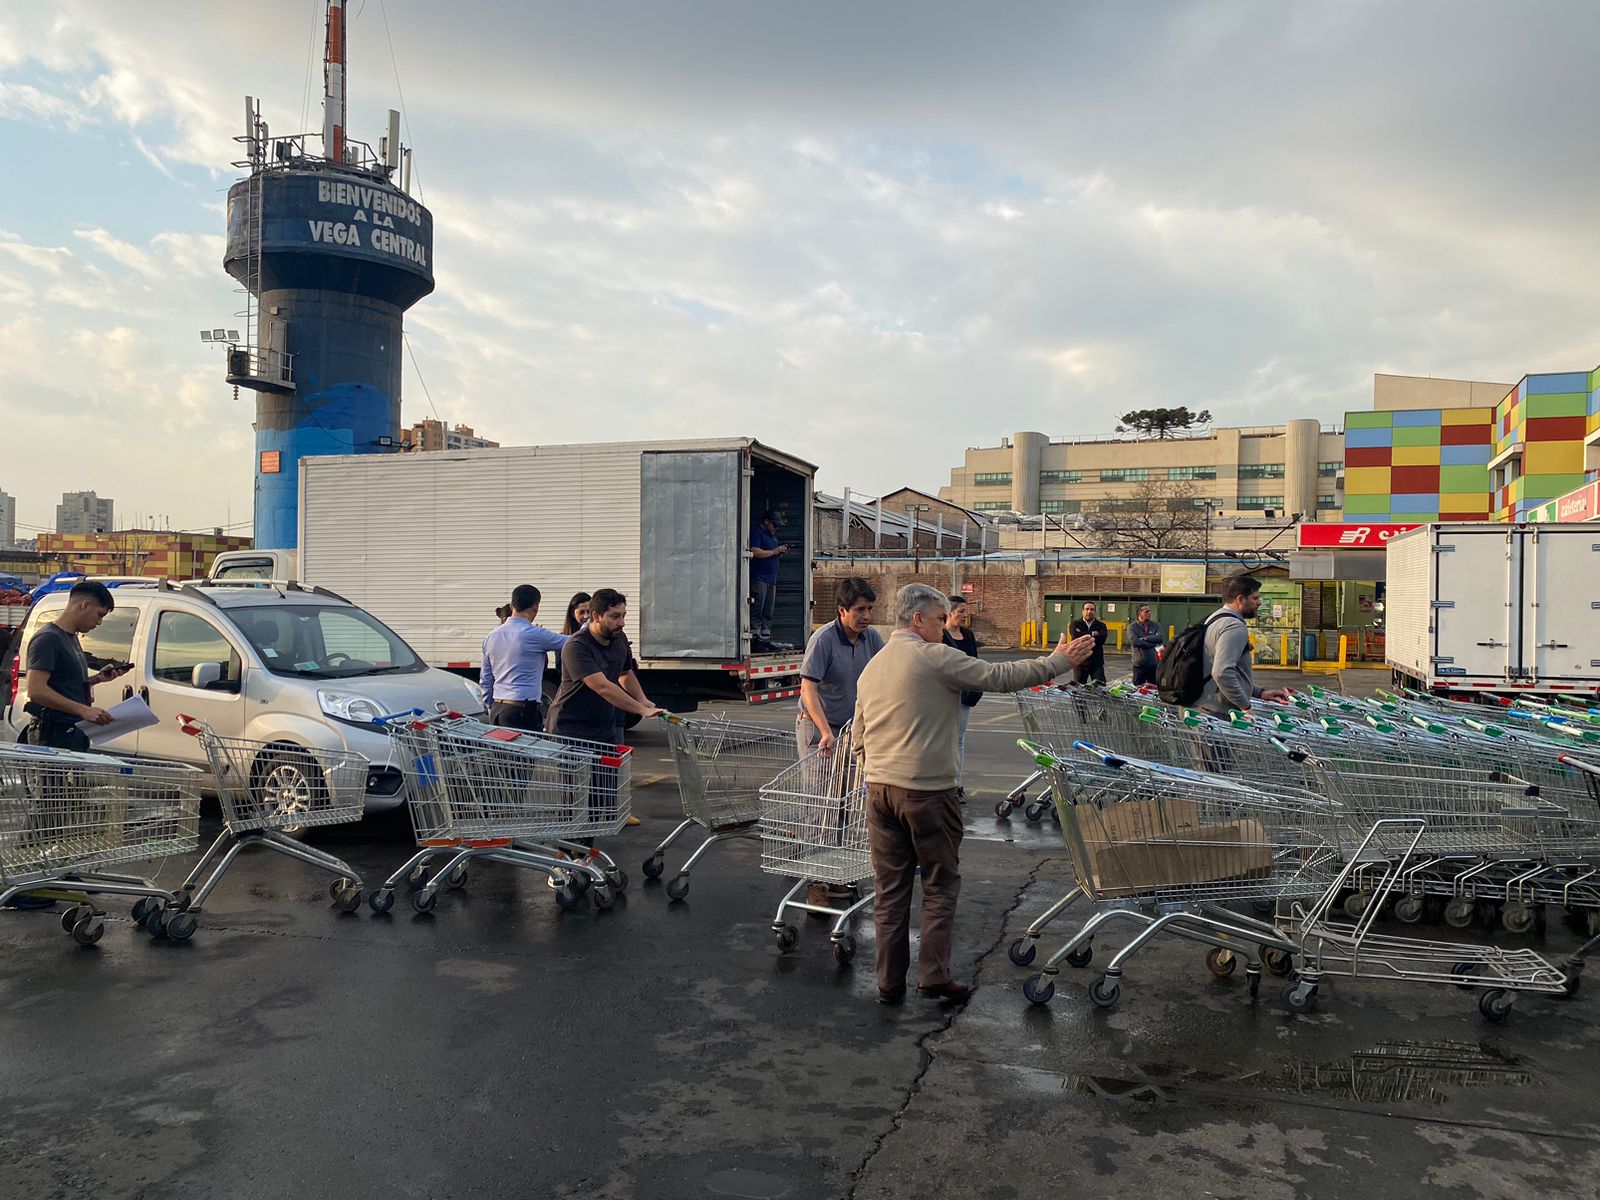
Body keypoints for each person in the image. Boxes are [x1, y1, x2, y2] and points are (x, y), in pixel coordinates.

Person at [853, 584, 1095, 1005]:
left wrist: (871, 771)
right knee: (940, 884)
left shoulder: (874, 665)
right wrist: (1058, 662)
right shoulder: (934, 658)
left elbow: (858, 733)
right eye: (938, 620)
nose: (944, 629)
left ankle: (889, 982)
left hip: (880, 790)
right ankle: (933, 975)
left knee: (890, 892)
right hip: (927, 791)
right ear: (917, 619)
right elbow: (998, 677)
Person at [797, 577, 884, 908]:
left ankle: (836, 868)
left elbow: (882, 677)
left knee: (846, 802)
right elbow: (809, 689)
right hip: (820, 729)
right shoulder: (824, 640)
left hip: (852, 731)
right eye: (860, 610)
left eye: (870, 609)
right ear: (842, 610)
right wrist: (826, 731)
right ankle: (815, 880)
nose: (866, 616)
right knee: (821, 802)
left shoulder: (871, 639)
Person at [547, 588, 665, 825]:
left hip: (602, 726)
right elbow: (601, 686)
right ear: (596, 616)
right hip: (571, 728)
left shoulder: (618, 638)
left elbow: (625, 674)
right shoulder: (576, 646)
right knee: (574, 797)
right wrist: (640, 711)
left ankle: (585, 852)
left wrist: (643, 700)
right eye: (614, 616)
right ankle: (568, 854)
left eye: (623, 615)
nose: (621, 622)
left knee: (602, 795)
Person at [23, 580, 128, 750]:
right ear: (85, 605)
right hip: (53, 733)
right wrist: (83, 710)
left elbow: (62, 684)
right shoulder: (48, 638)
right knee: (53, 778)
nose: (99, 622)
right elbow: (36, 690)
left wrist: (96, 679)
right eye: (99, 614)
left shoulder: (70, 637)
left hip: (71, 731)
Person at [1197, 576, 1292, 718]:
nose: (1259, 603)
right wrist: (1245, 706)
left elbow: (1230, 672)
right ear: (1241, 600)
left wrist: (1260, 693)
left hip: (1205, 708)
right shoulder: (1233, 626)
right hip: (1219, 712)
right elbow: (1222, 672)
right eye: (1255, 598)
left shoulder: (1214, 619)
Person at [480, 585, 567, 730]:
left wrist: (490, 707)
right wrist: (588, 626)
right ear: (536, 607)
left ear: (511, 605)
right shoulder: (534, 634)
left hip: (497, 708)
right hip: (522, 710)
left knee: (500, 753)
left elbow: (486, 679)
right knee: (526, 752)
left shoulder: (491, 637)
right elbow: (571, 642)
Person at [941, 596, 981, 800]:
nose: (965, 616)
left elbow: (974, 662)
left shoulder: (967, 635)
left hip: (963, 694)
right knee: (940, 738)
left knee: (959, 740)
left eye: (965, 612)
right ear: (950, 612)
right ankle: (940, 782)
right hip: (943, 694)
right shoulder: (940, 634)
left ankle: (956, 783)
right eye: (961, 612)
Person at [749, 510, 790, 651]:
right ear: (766, 522)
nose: (776, 528)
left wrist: (780, 552)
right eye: (775, 525)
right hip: (759, 578)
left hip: (771, 579)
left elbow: (772, 555)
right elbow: (754, 551)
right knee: (757, 610)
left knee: (768, 611)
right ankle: (755, 641)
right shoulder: (757, 532)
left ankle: (765, 641)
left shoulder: (773, 537)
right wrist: (774, 551)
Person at [1068, 601, 1109, 685]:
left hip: (1096, 662)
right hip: (1080, 662)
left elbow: (1101, 640)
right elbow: (1076, 637)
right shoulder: (1075, 624)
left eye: (1092, 609)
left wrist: (1082, 634)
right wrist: (1093, 633)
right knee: (1078, 688)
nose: (1089, 611)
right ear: (1082, 611)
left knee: (1100, 687)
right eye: (1087, 609)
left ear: (1095, 612)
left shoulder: (1101, 625)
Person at [1128, 603, 1164, 687]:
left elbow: (1160, 638)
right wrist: (1152, 644)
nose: (1149, 613)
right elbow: (1135, 642)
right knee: (1138, 689)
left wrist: (1145, 638)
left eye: (1150, 611)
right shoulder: (1132, 627)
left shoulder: (1156, 625)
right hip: (1139, 664)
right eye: (1146, 611)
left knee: (1154, 690)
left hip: (1154, 664)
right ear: (1139, 613)